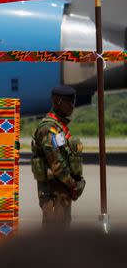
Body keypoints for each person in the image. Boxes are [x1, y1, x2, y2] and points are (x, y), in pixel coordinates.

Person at [30, 84, 85, 229]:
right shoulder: (49, 129)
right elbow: (57, 164)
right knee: (54, 236)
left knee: (61, 234)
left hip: (61, 191)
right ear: (57, 101)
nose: (72, 106)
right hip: (53, 192)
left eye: (73, 102)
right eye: (68, 102)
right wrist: (74, 185)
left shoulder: (58, 127)